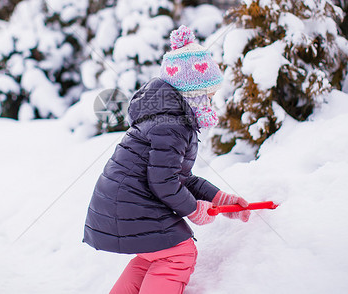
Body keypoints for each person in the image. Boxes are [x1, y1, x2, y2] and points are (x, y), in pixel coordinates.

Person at [83, 25, 250, 294]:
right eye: (209, 94)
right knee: (179, 252)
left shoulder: (168, 119)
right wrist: (194, 209)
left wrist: (219, 198)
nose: (212, 101)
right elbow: (163, 181)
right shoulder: (173, 125)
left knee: (156, 252)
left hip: (122, 202)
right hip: (131, 202)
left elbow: (179, 177)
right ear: (193, 94)